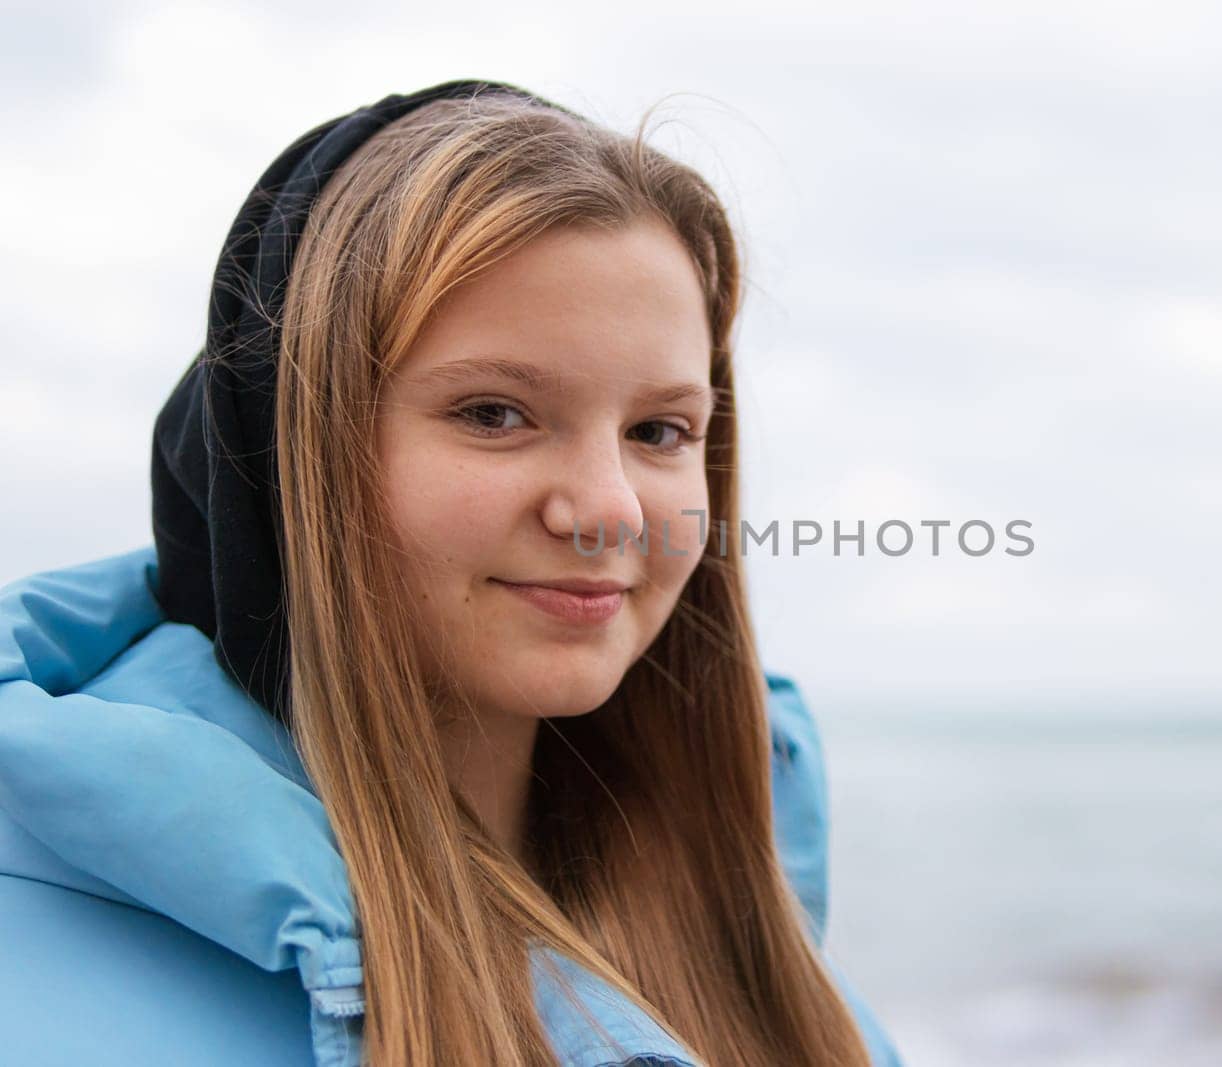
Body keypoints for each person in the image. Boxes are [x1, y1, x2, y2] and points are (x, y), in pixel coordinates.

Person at [0, 79, 904, 1067]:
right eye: (493, 414)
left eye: (658, 430)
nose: (610, 508)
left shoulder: (781, 975)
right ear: (291, 448)